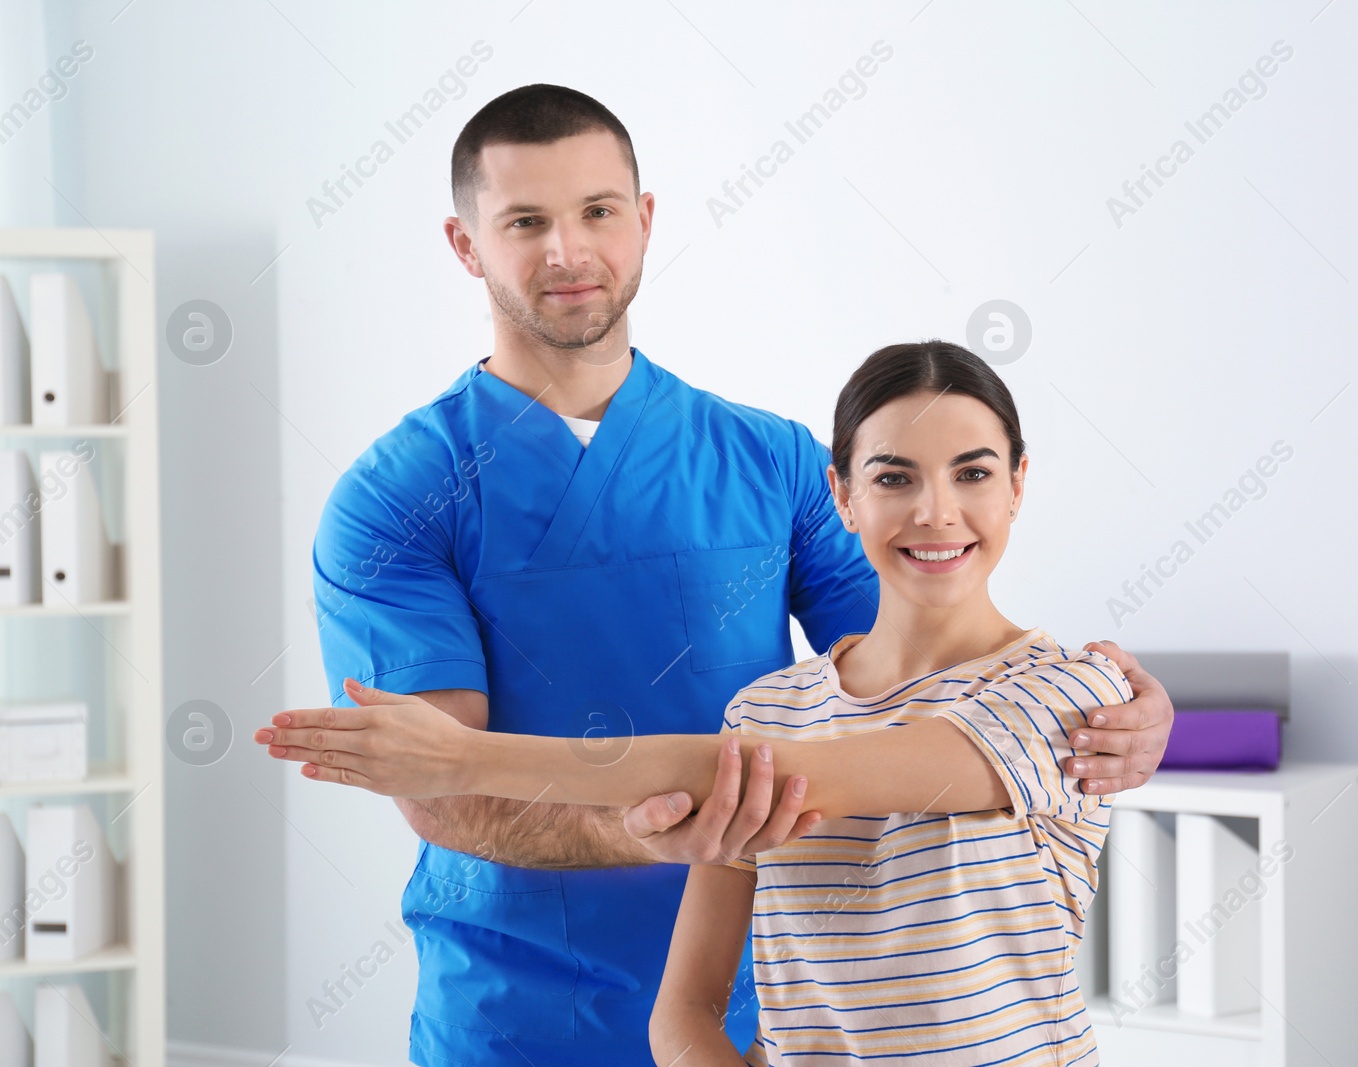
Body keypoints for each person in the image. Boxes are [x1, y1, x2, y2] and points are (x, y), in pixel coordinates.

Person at [306, 82, 1175, 1066]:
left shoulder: (774, 459)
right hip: (515, 1010)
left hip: (775, 1013)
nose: (568, 252)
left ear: (644, 220)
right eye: (525, 222)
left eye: (596, 211)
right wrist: (693, 831)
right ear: (466, 245)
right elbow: (441, 785)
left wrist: (1113, 721)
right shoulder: (394, 499)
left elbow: (908, 672)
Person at [264, 340, 1128, 1065]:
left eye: (972, 473)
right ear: (844, 496)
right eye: (895, 478)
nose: (936, 511)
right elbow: (682, 1015)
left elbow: (763, 775)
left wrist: (462, 754)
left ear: (1018, 483)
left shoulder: (1063, 693)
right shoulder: (772, 708)